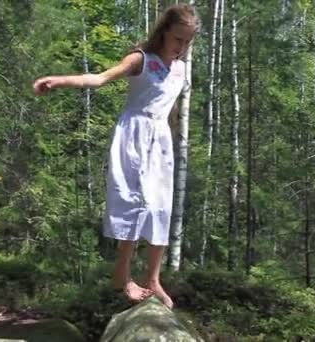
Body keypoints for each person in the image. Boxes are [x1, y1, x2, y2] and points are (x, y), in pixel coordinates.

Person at [33, 4, 198, 309]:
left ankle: (153, 279)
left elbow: (168, 104)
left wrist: (169, 136)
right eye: (178, 39)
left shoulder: (181, 68)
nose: (182, 47)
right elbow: (99, 78)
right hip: (133, 135)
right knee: (135, 201)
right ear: (164, 32)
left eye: (188, 41)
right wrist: (58, 81)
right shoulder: (141, 60)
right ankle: (122, 275)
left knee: (160, 206)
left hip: (160, 140)